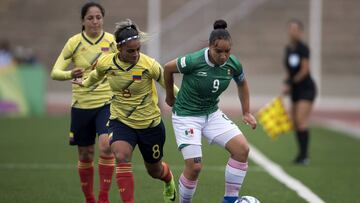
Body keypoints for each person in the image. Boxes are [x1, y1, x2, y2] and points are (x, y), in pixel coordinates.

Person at [75, 19, 178, 203]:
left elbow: (168, 84)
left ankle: (168, 178)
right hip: (121, 120)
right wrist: (85, 82)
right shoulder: (106, 62)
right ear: (118, 49)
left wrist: (186, 101)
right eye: (131, 50)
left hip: (150, 124)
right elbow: (96, 75)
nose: (136, 54)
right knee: (121, 156)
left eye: (138, 49)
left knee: (154, 171)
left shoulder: (149, 65)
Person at [164, 19, 257, 203]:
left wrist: (246, 112)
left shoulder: (233, 64)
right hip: (187, 116)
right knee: (195, 167)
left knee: (242, 150)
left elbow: (242, 83)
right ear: (209, 47)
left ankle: (229, 201)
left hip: (211, 114)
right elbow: (167, 68)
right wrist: (169, 96)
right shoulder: (193, 60)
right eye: (218, 51)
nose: (223, 56)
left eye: (227, 51)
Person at [50, 2, 116, 203]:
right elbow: (55, 72)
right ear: (83, 21)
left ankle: (103, 197)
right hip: (81, 106)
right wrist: (71, 73)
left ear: (103, 19)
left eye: (98, 17)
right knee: (86, 154)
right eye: (90, 18)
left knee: (106, 146)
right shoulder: (74, 42)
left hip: (106, 103)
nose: (95, 21)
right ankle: (90, 199)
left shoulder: (112, 41)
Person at [283, 19, 317, 165]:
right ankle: (300, 155)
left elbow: (304, 70)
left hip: (306, 88)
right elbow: (290, 71)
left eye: (296, 29)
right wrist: (286, 83)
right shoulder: (288, 49)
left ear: (301, 32)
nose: (293, 32)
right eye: (291, 29)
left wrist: (291, 83)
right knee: (295, 122)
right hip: (295, 89)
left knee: (302, 121)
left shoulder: (303, 48)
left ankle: (304, 157)